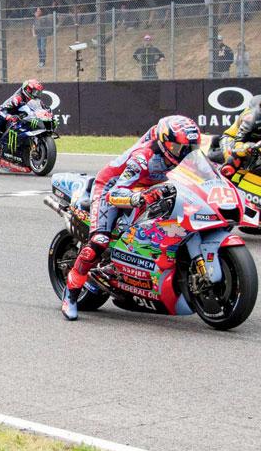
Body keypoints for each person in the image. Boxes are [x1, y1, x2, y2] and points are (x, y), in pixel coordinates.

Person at [61, 116, 202, 320]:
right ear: (165, 143)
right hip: (113, 187)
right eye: (180, 148)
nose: (185, 153)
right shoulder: (143, 158)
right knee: (99, 241)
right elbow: (115, 194)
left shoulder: (182, 154)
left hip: (151, 187)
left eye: (190, 148)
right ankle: (71, 293)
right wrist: (138, 197)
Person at [0, 79, 43, 146]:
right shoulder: (17, 98)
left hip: (18, 116)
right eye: (35, 92)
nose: (36, 94)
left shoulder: (34, 101)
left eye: (38, 93)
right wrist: (8, 116)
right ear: (28, 89)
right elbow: (1, 109)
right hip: (4, 113)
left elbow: (39, 109)